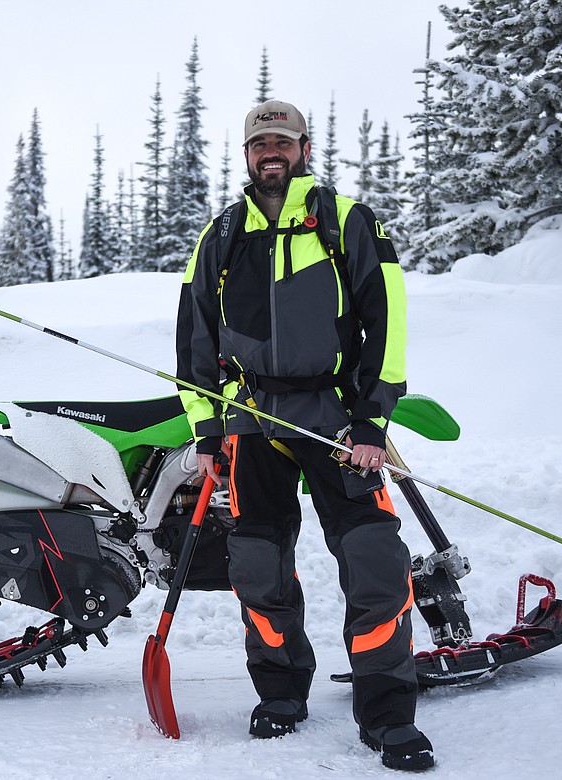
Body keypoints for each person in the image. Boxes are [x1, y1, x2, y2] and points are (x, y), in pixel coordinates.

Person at [174, 99, 433, 771]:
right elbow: (195, 343)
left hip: (337, 419)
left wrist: (374, 419)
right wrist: (208, 433)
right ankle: (282, 690)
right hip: (252, 421)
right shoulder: (223, 234)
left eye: (283, 140)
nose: (272, 151)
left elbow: (389, 324)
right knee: (258, 565)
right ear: (246, 152)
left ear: (305, 148)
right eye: (261, 140)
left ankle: (386, 710)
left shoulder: (347, 222)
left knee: (373, 557)